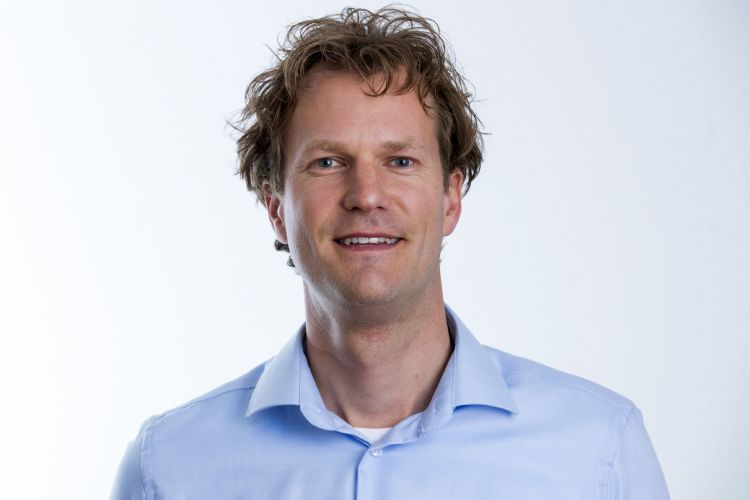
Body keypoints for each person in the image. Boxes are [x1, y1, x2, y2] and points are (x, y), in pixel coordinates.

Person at [111, 7, 670, 499]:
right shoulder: (168, 467)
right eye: (328, 162)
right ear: (276, 208)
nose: (367, 195)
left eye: (400, 161)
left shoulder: (599, 450)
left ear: (451, 199)